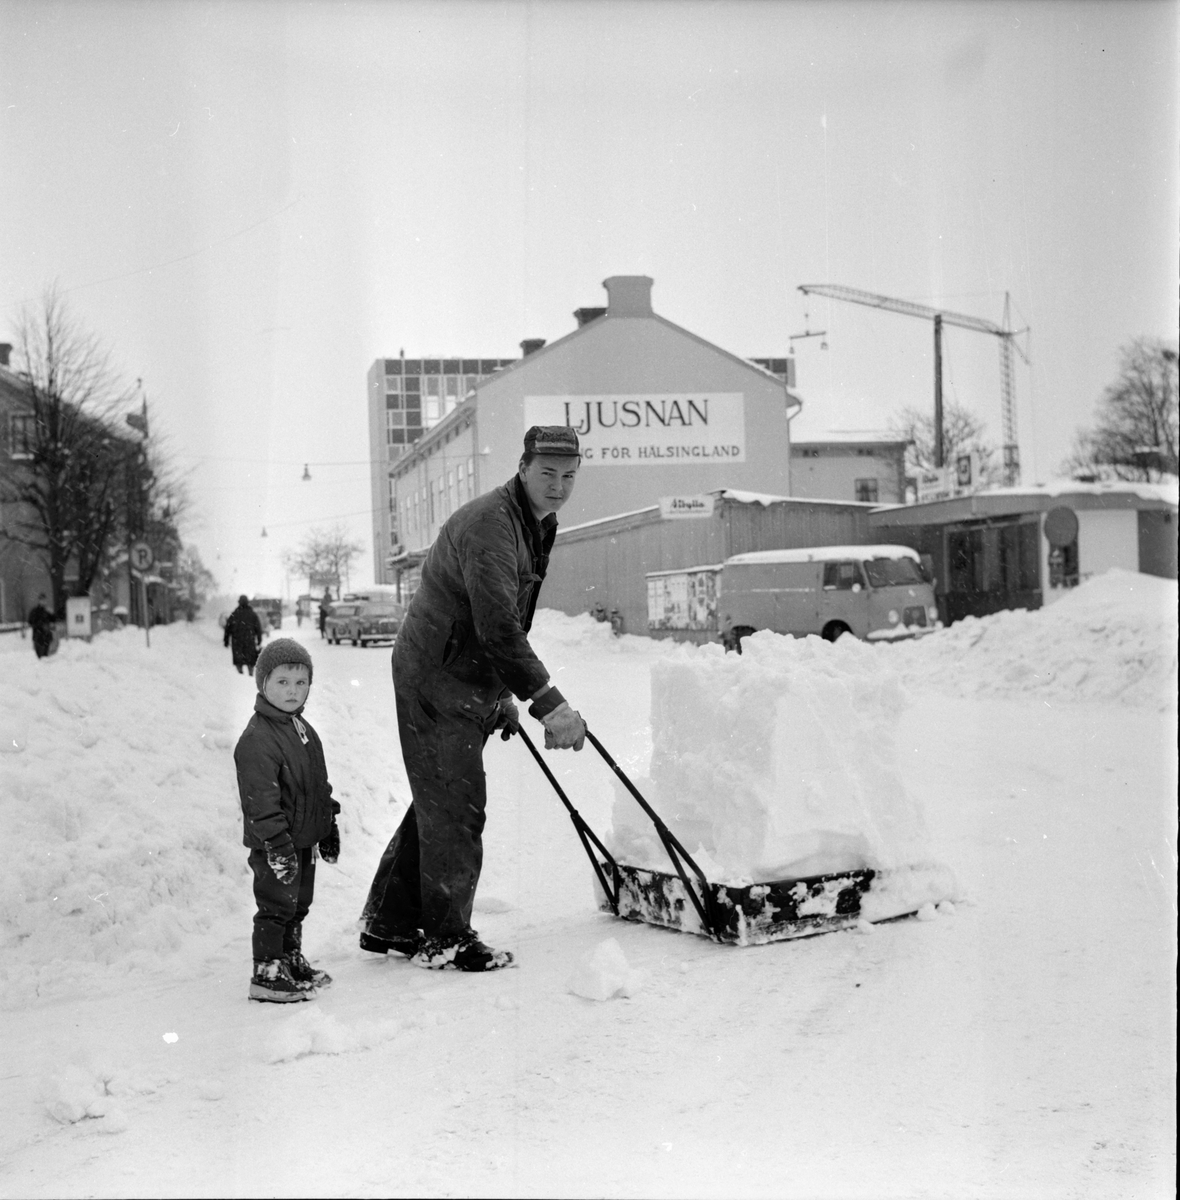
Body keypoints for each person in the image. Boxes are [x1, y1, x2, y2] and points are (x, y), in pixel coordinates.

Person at [360, 426, 587, 973]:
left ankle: (390, 921)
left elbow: (503, 616)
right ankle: (446, 938)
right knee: (456, 808)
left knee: (440, 799)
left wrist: (501, 693)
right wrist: (549, 703)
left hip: (461, 673)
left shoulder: (535, 522)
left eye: (569, 477)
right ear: (523, 467)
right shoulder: (491, 525)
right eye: (548, 474)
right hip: (436, 677)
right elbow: (498, 627)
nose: (558, 487)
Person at [234, 638, 341, 1003]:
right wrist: (277, 846)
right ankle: (266, 973)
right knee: (275, 908)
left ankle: (289, 959)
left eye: (300, 682)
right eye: (282, 682)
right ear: (263, 683)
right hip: (275, 844)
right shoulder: (258, 739)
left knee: (298, 905)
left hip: (302, 840)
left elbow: (317, 783)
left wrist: (328, 825)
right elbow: (261, 803)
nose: (293, 691)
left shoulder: (302, 729)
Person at [223, 595, 263, 675]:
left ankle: (240, 674)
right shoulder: (252, 614)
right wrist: (259, 639)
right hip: (249, 641)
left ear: (239, 603)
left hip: (237, 641)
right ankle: (250, 673)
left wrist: (226, 640)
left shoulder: (234, 614)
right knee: (250, 659)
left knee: (239, 660)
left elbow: (228, 628)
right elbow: (258, 628)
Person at [27, 594, 55, 659]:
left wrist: (52, 614)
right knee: (40, 656)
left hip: (46, 637)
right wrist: (41, 625)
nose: (44, 602)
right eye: (42, 600)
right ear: (39, 601)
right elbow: (30, 622)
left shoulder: (48, 611)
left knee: (46, 656)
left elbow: (54, 621)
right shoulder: (35, 611)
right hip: (38, 637)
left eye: (45, 600)